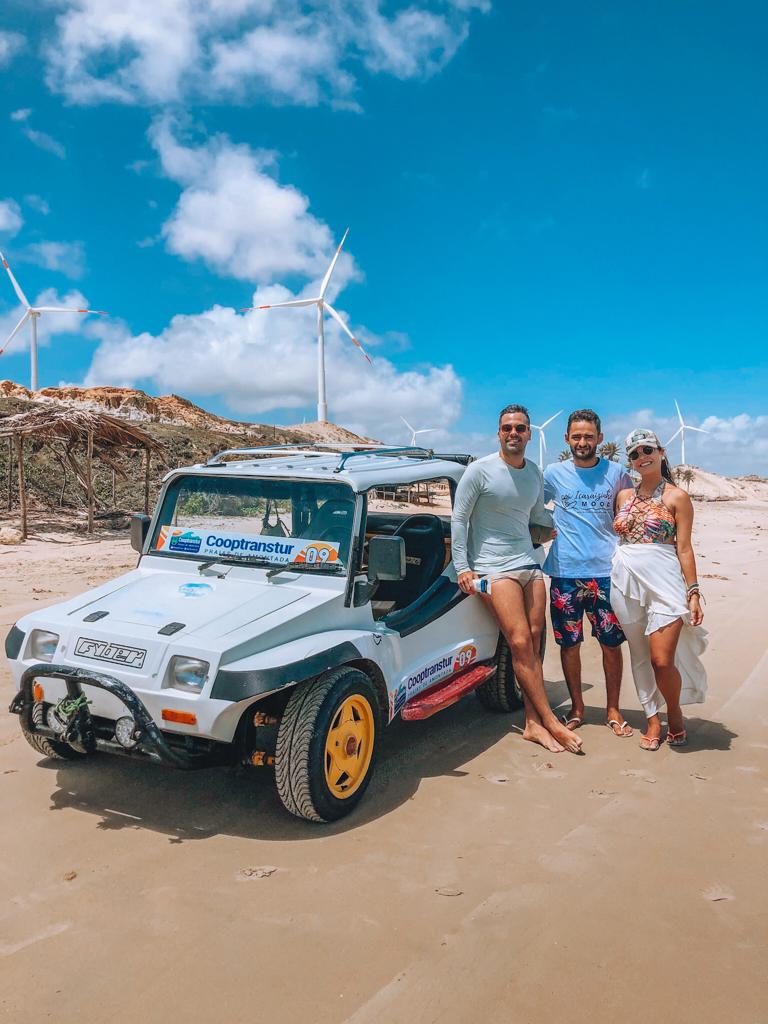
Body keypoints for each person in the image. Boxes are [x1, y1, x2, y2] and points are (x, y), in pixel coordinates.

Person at [452, 404, 583, 754]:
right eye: (508, 427)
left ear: (529, 433)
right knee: (521, 641)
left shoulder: (534, 473)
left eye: (521, 428)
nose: (514, 433)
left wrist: (570, 523)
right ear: (499, 433)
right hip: (494, 568)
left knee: (536, 641)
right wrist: (462, 568)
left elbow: (537, 514)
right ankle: (550, 721)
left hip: (530, 563)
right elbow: (459, 519)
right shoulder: (479, 471)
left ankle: (532, 723)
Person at [611, 428, 707, 750]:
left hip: (665, 580)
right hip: (624, 578)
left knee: (661, 660)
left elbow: (684, 548)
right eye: (635, 453)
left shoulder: (677, 497)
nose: (642, 457)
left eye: (647, 449)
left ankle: (675, 713)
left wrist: (693, 591)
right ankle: (652, 718)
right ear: (631, 461)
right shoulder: (624, 496)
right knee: (639, 654)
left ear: (661, 451)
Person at [543, 410, 635, 736]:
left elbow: (632, 511)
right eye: (577, 436)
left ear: (599, 438)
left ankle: (612, 710)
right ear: (567, 438)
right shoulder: (552, 474)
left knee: (611, 644)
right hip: (564, 573)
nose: (583, 442)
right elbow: (527, 510)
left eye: (589, 436)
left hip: (607, 574)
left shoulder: (618, 473)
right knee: (569, 645)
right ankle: (577, 708)